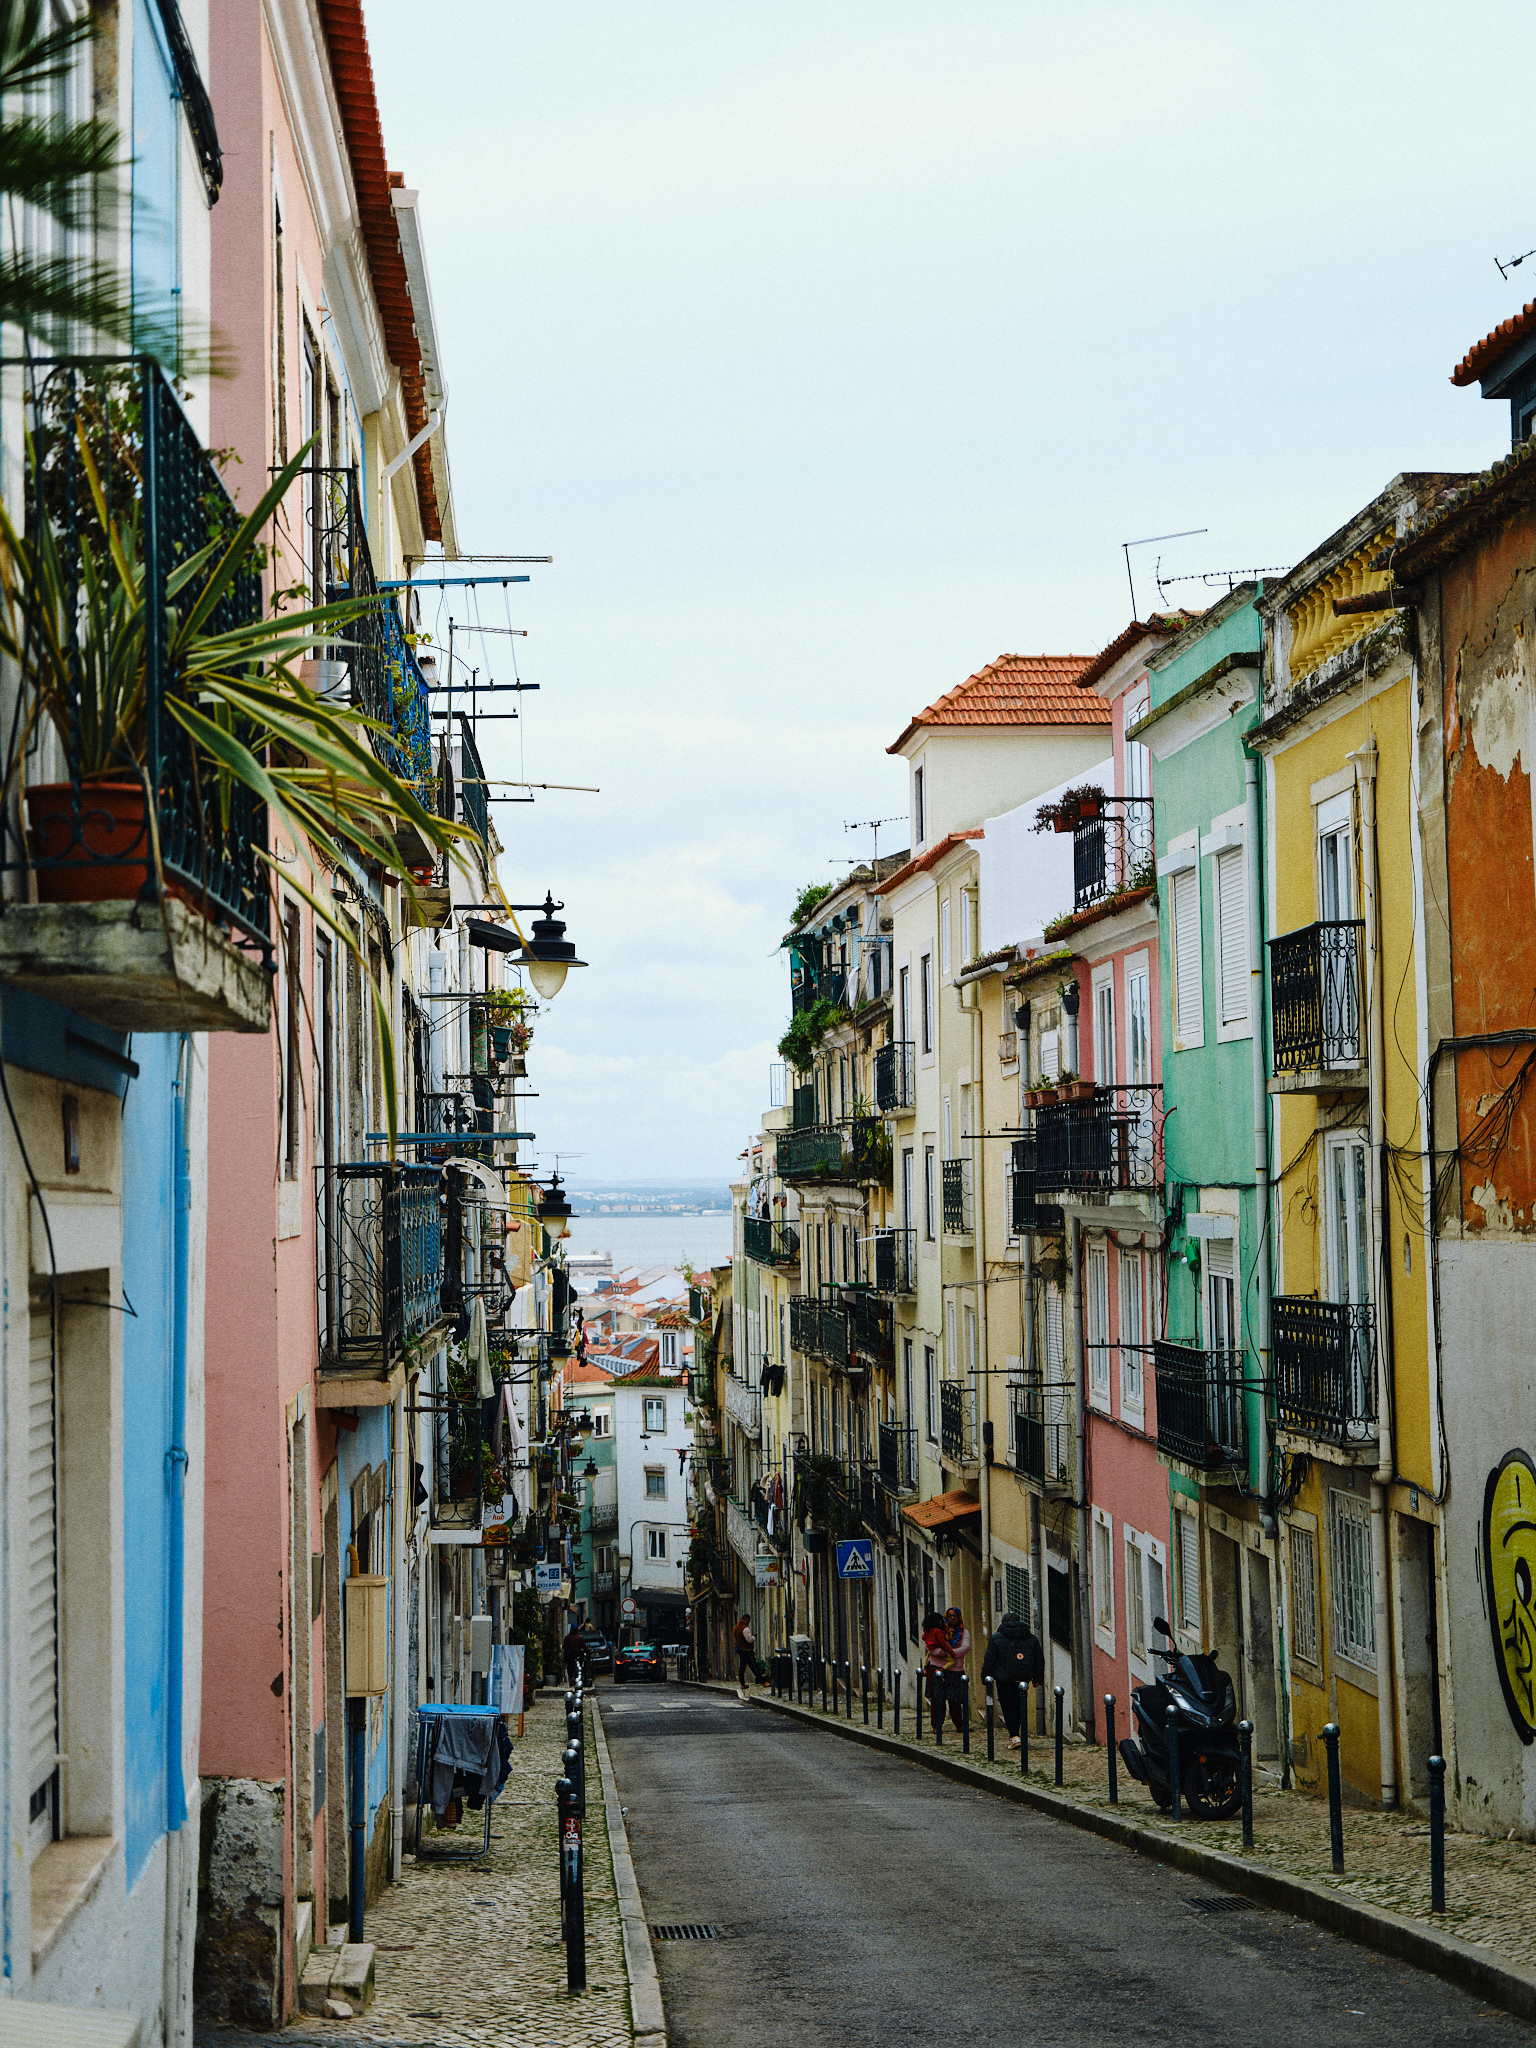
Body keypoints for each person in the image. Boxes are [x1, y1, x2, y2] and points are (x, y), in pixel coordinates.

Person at [982, 1608, 1045, 1748]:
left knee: (1008, 1707)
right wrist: (1037, 1678)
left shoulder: (996, 1638)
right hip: (1023, 1677)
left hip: (1004, 1679)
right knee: (1019, 1706)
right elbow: (1039, 1660)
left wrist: (985, 1676)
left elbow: (989, 1659)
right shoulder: (1031, 1638)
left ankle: (1014, 1736)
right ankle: (1019, 1733)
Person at [941, 1606, 972, 1735]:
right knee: (940, 1699)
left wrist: (949, 1653)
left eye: (954, 1615)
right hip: (942, 1669)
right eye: (950, 1616)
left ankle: (959, 1724)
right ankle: (937, 1726)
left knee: (956, 1700)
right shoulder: (942, 1631)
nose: (952, 1618)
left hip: (957, 1670)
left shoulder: (964, 1632)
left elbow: (965, 1648)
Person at [921, 1611, 952, 1735]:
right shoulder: (934, 1633)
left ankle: (943, 1724)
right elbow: (930, 1649)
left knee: (948, 1698)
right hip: (936, 1667)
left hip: (945, 1667)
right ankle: (937, 1724)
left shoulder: (941, 1632)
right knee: (937, 1698)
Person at [733, 1613, 766, 1698]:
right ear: (746, 1619)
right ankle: (763, 1682)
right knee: (754, 1666)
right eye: (749, 1620)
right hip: (747, 1651)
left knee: (742, 1667)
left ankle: (742, 1684)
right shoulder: (745, 1629)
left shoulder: (736, 1628)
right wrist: (753, 1637)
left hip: (741, 1650)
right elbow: (749, 1640)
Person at [563, 1619, 586, 1689]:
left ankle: (571, 1677)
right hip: (578, 1654)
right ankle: (580, 1677)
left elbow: (565, 1647)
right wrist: (588, 1654)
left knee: (570, 1666)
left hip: (570, 1654)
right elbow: (584, 1647)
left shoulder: (567, 1638)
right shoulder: (580, 1637)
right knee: (580, 1666)